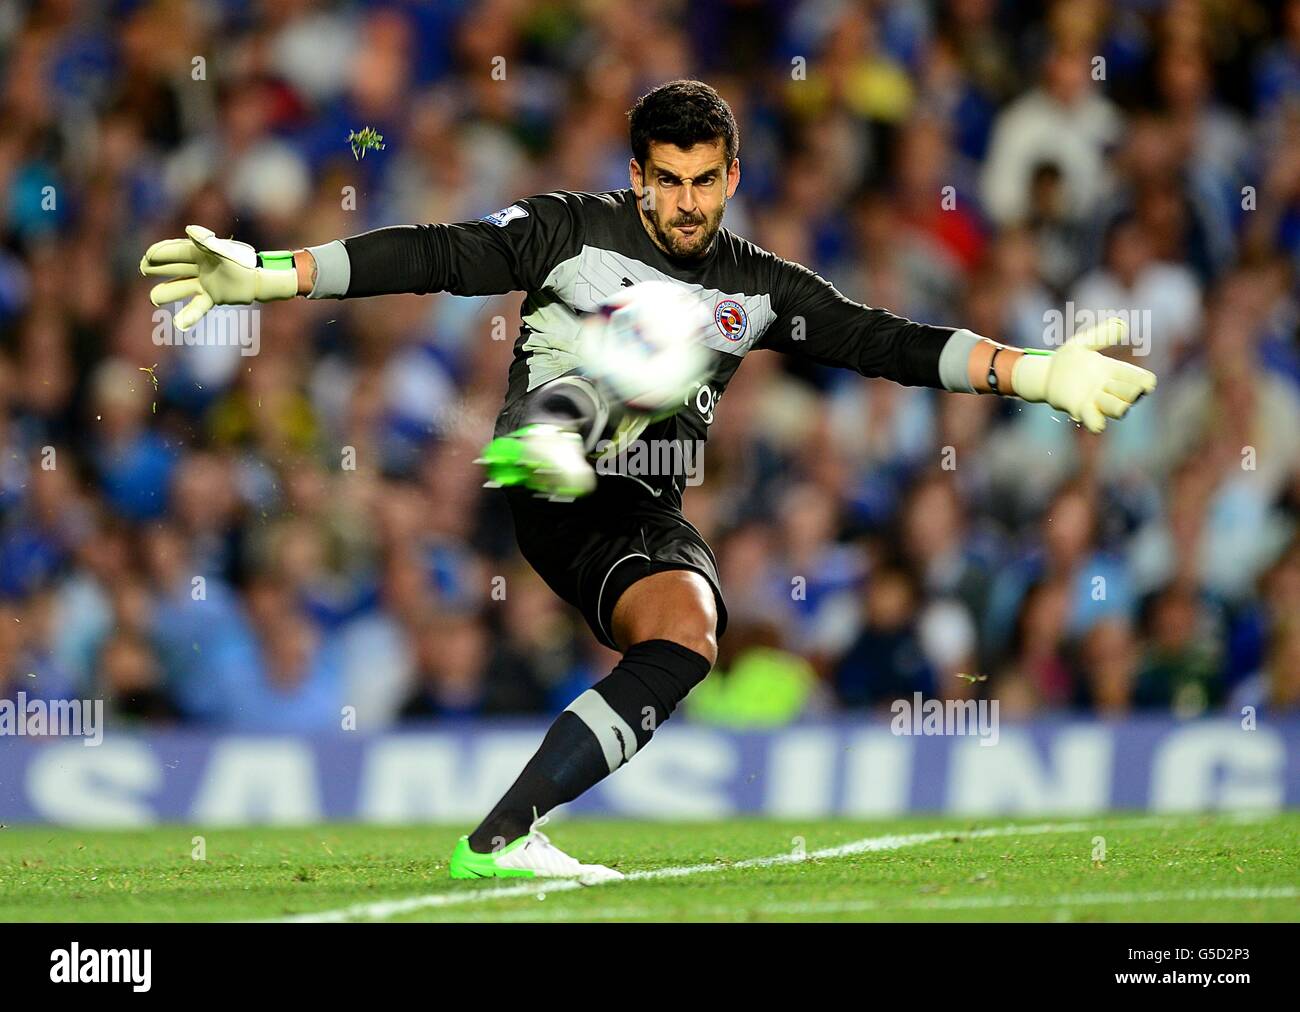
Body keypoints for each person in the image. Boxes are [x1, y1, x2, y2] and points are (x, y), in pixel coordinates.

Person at [139, 80, 1156, 882]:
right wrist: (271, 274)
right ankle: (569, 417)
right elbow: (435, 253)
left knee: (687, 633)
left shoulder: (760, 286)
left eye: (703, 180)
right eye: (665, 180)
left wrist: (1035, 372)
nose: (684, 201)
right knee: (633, 379)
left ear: (731, 177)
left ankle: (499, 838)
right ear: (636, 176)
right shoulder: (567, 226)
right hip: (549, 468)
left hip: (633, 505)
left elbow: (887, 340)